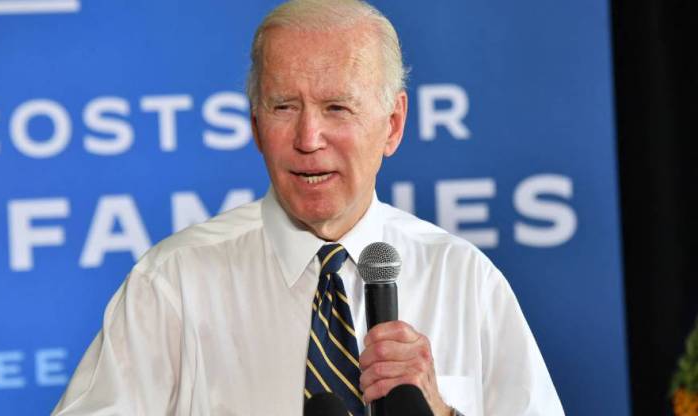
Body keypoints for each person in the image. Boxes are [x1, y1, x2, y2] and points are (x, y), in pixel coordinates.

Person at [52, 1, 564, 415]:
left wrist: (442, 413)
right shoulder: (173, 282)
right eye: (284, 107)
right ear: (255, 126)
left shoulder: (465, 278)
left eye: (336, 107)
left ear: (392, 124)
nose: (308, 138)